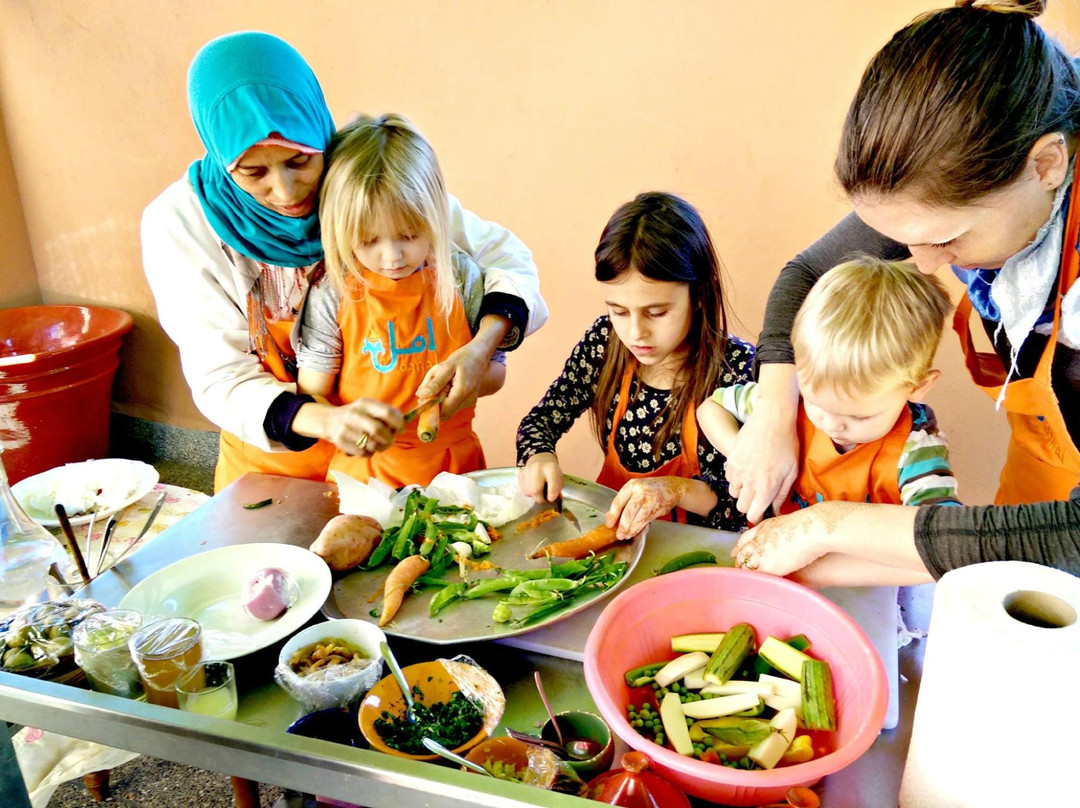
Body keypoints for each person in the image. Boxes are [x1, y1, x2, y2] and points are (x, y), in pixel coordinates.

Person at [728, 0, 1080, 585]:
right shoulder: (956, 184)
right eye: (901, 239)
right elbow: (806, 276)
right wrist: (770, 417)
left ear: (1046, 165)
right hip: (1034, 490)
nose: (920, 264)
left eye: (945, 239)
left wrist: (827, 525)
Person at [142, 32, 547, 492]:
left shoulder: (359, 178)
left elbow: (506, 258)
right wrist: (327, 421)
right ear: (220, 157)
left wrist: (481, 347)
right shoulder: (180, 224)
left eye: (300, 161)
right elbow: (221, 377)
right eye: (254, 173)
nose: (288, 192)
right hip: (271, 466)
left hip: (398, 470)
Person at [516, 192, 756, 539]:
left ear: (700, 294)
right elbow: (540, 422)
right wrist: (538, 455)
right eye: (618, 310)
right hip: (613, 543)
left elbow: (737, 503)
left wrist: (673, 490)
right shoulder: (604, 343)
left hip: (696, 553)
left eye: (657, 313)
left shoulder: (737, 370)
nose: (635, 332)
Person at [295, 114, 503, 487]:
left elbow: (495, 373)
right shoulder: (333, 289)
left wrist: (455, 386)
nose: (392, 257)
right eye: (369, 241)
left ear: (436, 216)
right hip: (364, 473)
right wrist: (345, 425)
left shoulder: (461, 276)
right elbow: (313, 387)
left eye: (408, 235)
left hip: (454, 466)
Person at [698, 258, 961, 515]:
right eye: (816, 404)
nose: (833, 425)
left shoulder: (917, 447)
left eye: (859, 416)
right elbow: (711, 408)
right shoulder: (793, 399)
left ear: (918, 387)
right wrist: (742, 454)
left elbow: (939, 527)